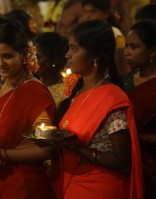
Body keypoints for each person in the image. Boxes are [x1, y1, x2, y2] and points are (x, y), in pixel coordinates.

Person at [51, 20, 143, 199]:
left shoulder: (112, 98)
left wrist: (74, 148)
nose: (67, 55)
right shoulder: (77, 91)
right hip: (71, 183)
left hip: (99, 188)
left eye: (74, 49)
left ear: (94, 56)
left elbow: (122, 161)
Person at [0, 22, 55, 199]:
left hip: (25, 186)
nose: (0, 64)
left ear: (24, 54)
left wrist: (0, 156)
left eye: (7, 56)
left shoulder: (35, 92)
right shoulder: (0, 85)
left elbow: (48, 149)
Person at [124, 20, 156, 199]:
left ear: (152, 50)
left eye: (134, 47)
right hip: (129, 159)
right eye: (127, 46)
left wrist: (141, 138)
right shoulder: (129, 78)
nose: (127, 52)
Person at [81, 0, 129, 78]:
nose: (87, 16)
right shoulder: (82, 34)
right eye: (85, 12)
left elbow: (123, 69)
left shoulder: (115, 33)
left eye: (93, 12)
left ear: (106, 13)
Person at [33, 32, 68, 107]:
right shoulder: (31, 82)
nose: (31, 60)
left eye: (37, 57)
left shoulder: (63, 93)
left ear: (53, 61)